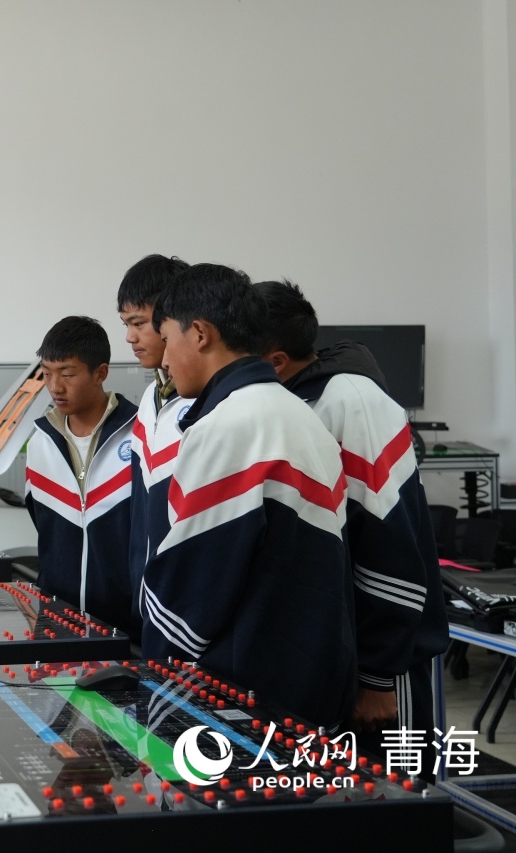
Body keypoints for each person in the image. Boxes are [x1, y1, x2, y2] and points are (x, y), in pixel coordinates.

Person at [141, 265, 356, 728]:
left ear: (200, 333)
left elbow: (193, 585)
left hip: (239, 692)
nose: (165, 359)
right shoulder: (295, 412)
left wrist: (153, 677)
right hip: (307, 677)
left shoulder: (231, 424)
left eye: (168, 339)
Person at [256, 279, 448, 753]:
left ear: (275, 360)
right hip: (327, 654)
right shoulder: (288, 401)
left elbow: (391, 540)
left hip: (378, 664)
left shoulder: (351, 400)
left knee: (391, 791)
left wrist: (377, 676)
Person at [24, 316, 139, 635]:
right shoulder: (40, 443)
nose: (55, 387)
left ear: (100, 373)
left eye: (67, 374)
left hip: (126, 627)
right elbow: (43, 525)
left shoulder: (140, 436)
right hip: (57, 622)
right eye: (47, 374)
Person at [117, 254, 191, 640]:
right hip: (149, 607)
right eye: (125, 325)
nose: (130, 338)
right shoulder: (150, 399)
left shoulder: (205, 405)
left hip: (188, 614)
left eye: (138, 323)